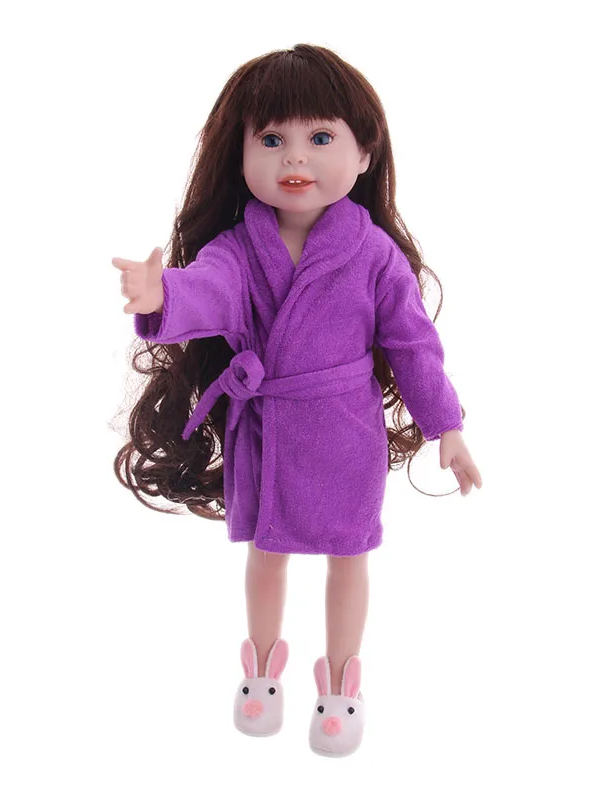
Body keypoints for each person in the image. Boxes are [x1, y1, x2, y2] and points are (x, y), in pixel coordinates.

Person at [112, 43, 482, 757]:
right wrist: (163, 295)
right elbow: (209, 289)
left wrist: (447, 425)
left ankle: (341, 686)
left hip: (345, 433)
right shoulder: (237, 248)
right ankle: (260, 672)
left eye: (319, 137)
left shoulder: (373, 254)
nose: (296, 158)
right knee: (266, 550)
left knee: (350, 555)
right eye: (272, 139)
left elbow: (412, 343)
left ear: (364, 153)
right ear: (241, 154)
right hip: (268, 428)